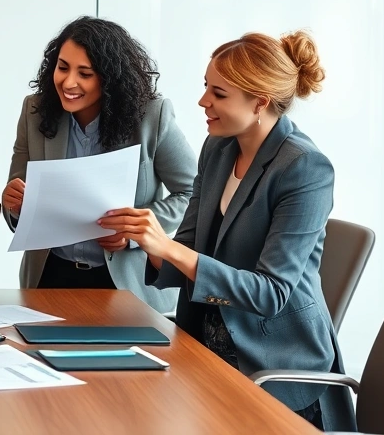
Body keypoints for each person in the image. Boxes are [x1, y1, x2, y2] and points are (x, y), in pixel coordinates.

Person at [99, 30, 355, 431]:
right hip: (204, 340)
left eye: (219, 94)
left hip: (273, 362)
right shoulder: (218, 148)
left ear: (260, 102)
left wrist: (168, 248)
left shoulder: (304, 167)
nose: (204, 102)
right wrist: (151, 244)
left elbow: (270, 293)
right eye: (206, 87)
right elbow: (188, 245)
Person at [2, 16, 196, 313]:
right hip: (50, 277)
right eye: (63, 67)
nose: (68, 83)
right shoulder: (34, 111)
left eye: (85, 73)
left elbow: (192, 194)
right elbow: (18, 196)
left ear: (109, 78)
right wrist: (14, 204)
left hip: (128, 283)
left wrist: (133, 231)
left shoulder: (151, 116)